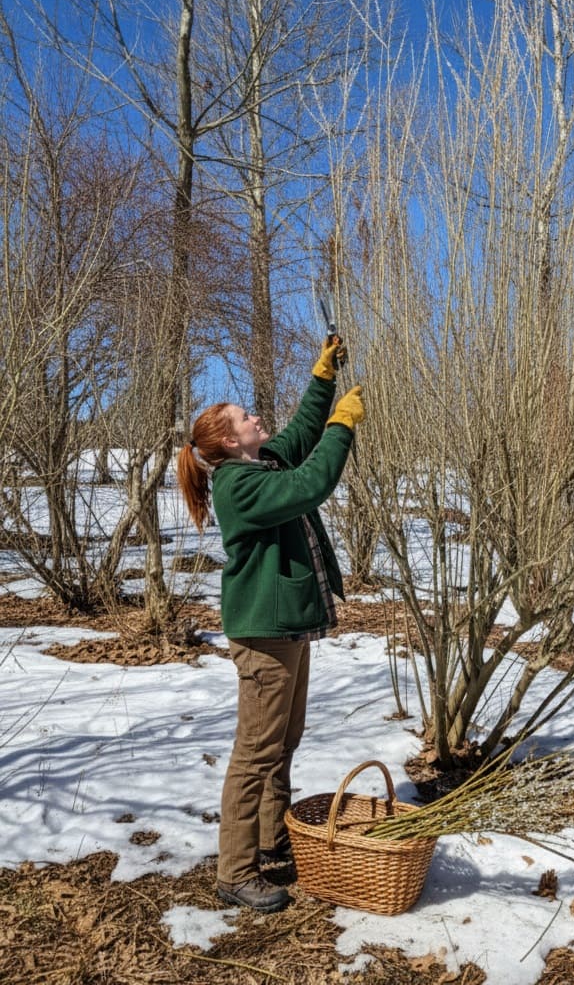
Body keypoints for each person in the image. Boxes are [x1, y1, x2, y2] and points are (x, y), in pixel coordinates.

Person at [176, 339, 364, 913]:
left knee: (284, 740)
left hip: (286, 629)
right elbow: (312, 485)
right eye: (245, 416)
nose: (257, 417)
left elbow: (300, 436)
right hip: (263, 637)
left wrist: (322, 378)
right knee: (255, 753)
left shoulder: (260, 462)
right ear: (229, 441)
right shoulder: (241, 484)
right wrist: (344, 428)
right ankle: (235, 871)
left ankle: (270, 838)